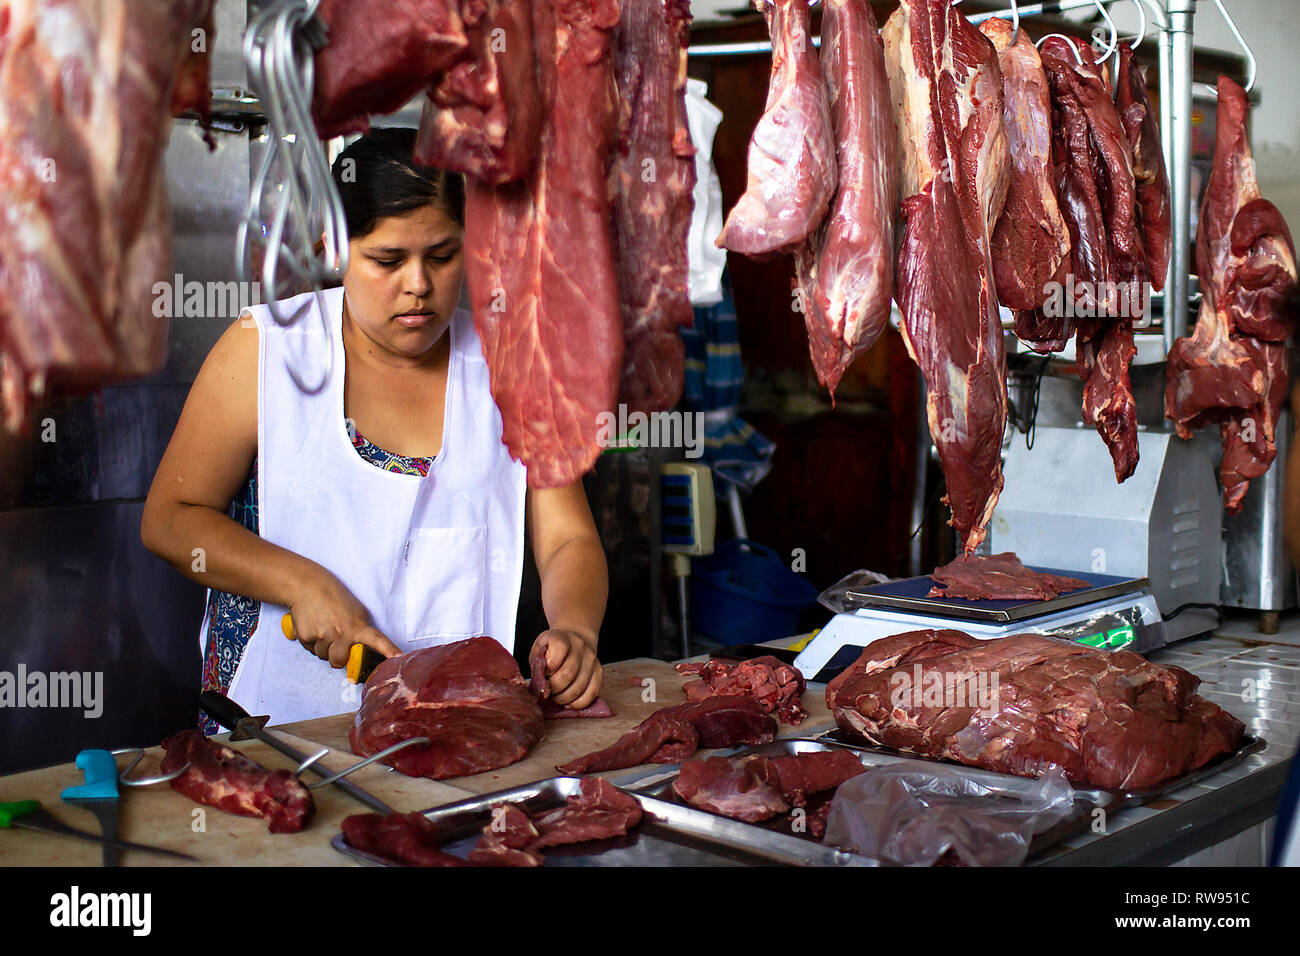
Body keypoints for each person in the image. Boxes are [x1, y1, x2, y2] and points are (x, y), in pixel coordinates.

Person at [142, 127, 607, 728]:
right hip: (274, 725)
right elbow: (171, 519)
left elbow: (567, 538)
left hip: (453, 728)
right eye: (388, 260)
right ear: (336, 249)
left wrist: (574, 626)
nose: (418, 284)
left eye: (442, 256)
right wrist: (300, 583)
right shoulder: (266, 349)